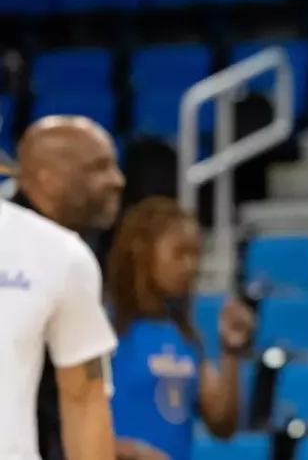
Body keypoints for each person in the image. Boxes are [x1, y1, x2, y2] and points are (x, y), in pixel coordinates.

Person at [10, 115, 127, 460]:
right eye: (99, 168)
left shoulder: (65, 255)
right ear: (48, 179)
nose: (118, 181)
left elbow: (85, 394)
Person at [106, 197, 254, 460]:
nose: (191, 266)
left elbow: (223, 425)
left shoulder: (186, 337)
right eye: (180, 253)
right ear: (141, 251)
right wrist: (130, 452)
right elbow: (69, 418)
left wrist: (231, 351)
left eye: (196, 254)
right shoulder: (106, 330)